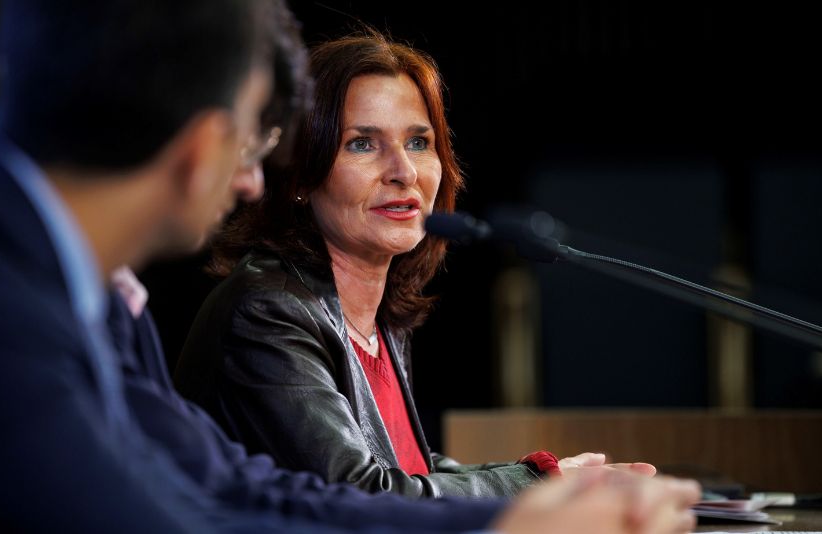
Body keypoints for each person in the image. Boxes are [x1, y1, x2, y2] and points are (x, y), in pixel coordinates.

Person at [0, 0, 701, 532]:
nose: (252, 178)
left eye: (420, 141)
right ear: (197, 151)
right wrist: (517, 509)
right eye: (251, 143)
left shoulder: (88, 292)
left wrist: (500, 517)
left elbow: (228, 487)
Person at [175, 31, 655, 498]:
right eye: (362, 143)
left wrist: (559, 483)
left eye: (419, 142)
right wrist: (533, 483)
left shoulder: (374, 314)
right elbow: (361, 496)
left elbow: (409, 471)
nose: (403, 171)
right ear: (301, 172)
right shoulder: (267, 312)